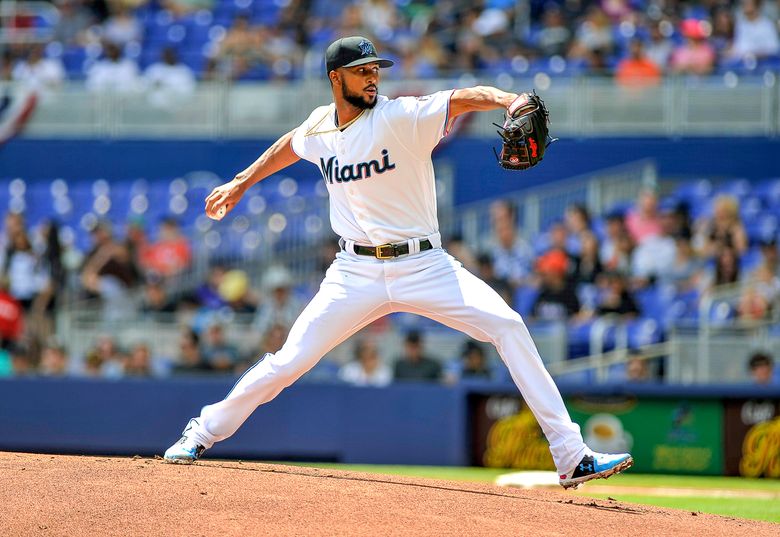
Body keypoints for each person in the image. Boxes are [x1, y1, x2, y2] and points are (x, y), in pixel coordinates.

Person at [163, 36, 632, 488]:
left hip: (424, 264)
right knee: (289, 362)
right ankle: (201, 433)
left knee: (507, 325)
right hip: (353, 273)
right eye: (361, 71)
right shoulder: (319, 126)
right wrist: (242, 182)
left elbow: (462, 97)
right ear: (335, 78)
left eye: (374, 70)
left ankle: (571, 455)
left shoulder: (401, 116)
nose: (372, 79)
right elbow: (293, 142)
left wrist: (509, 100)